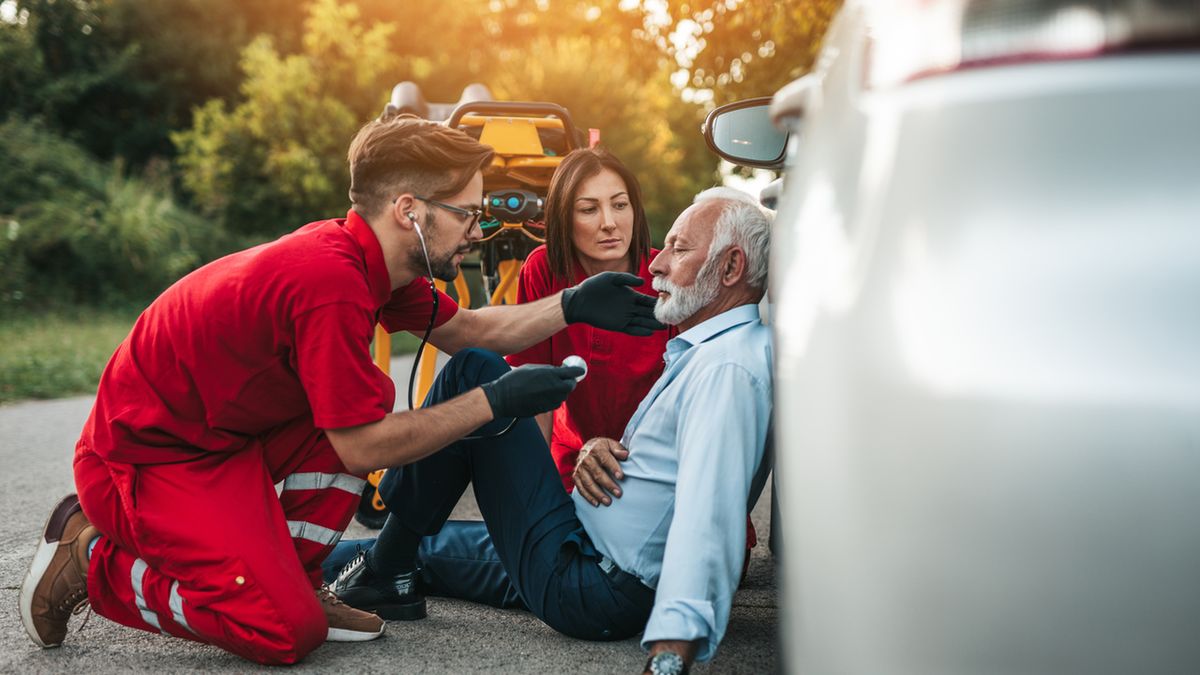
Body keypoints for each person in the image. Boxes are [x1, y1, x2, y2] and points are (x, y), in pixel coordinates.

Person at [18, 113, 665, 666]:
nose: (478, 231)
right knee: (282, 630)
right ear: (409, 212)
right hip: (148, 460)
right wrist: (495, 401)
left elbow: (471, 329)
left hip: (223, 441)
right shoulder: (329, 284)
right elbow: (362, 448)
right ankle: (93, 560)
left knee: (364, 397)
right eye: (467, 213)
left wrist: (574, 303)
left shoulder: (374, 264)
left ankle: (303, 579)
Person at [331, 187, 774, 673]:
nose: (657, 264)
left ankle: (383, 571)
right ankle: (337, 567)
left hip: (592, 584)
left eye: (679, 248)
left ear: (731, 267)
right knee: (410, 549)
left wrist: (670, 652)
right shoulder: (715, 350)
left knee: (474, 370)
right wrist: (598, 446)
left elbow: (707, 516)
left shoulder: (727, 370)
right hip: (579, 542)